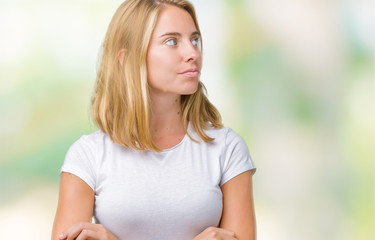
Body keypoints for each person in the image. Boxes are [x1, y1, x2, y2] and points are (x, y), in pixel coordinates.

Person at [51, 0, 256, 239]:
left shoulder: (227, 149)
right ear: (127, 58)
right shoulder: (88, 156)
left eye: (195, 40)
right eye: (172, 41)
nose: (192, 53)